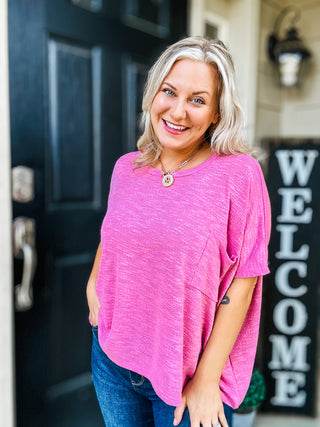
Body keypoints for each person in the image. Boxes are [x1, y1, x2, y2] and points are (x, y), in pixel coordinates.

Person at [86, 36, 271, 427]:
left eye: (198, 100)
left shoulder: (238, 174)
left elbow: (245, 281)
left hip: (187, 375)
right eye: (169, 92)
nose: (178, 111)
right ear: (154, 94)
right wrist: (93, 283)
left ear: (218, 113)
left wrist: (205, 380)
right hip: (112, 362)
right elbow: (114, 232)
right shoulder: (127, 168)